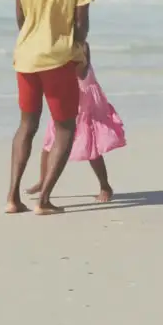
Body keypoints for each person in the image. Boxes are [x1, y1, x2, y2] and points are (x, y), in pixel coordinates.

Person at [6, 0, 95, 216]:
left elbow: (19, 15)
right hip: (58, 59)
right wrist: (79, 48)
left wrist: (31, 34)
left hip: (26, 56)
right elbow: (81, 26)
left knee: (26, 125)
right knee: (65, 127)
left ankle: (12, 198)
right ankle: (43, 200)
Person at [26, 40, 126, 203]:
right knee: (48, 144)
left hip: (84, 100)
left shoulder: (80, 45)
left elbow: (81, 71)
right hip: (66, 95)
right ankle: (43, 181)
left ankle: (105, 186)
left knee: (91, 148)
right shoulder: (57, 43)